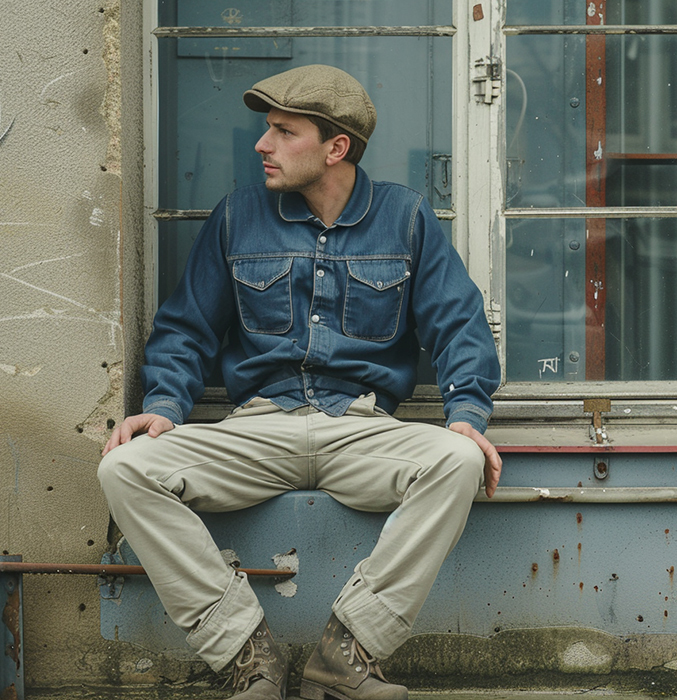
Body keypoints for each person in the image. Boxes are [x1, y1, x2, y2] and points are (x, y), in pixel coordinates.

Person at [97, 64, 502, 700]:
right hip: (258, 426)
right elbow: (185, 329)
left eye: (284, 132)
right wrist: (165, 407)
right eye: (268, 131)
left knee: (455, 460)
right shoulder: (238, 218)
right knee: (124, 468)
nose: (262, 145)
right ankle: (245, 655)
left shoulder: (406, 219)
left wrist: (465, 417)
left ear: (335, 148)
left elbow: (461, 329)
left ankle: (346, 656)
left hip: (360, 427)